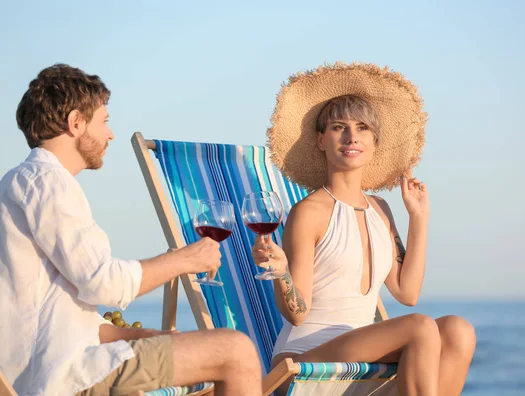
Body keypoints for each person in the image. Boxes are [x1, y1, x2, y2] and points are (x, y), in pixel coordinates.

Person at [0, 64, 261, 396]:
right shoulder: (47, 182)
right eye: (104, 121)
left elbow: (54, 315)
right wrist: (185, 260)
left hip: (51, 368)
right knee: (236, 351)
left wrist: (139, 335)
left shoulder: (23, 184)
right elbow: (102, 283)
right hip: (63, 379)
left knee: (210, 362)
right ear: (76, 122)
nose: (110, 134)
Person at [252, 63, 476, 396]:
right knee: (419, 329)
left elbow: (407, 293)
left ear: (374, 141)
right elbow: (297, 316)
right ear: (320, 140)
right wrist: (282, 275)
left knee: (459, 331)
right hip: (304, 365)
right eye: (338, 127)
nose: (351, 136)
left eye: (362, 128)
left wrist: (419, 218)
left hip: (363, 370)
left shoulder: (380, 210)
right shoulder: (308, 212)